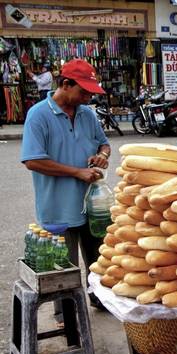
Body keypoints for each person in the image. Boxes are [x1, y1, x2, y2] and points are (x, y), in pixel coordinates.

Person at [20, 58, 110, 315]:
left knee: (99, 261)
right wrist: (77, 172)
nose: (88, 97)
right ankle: (66, 316)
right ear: (65, 84)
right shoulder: (38, 115)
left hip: (92, 206)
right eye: (83, 91)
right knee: (64, 270)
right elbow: (32, 160)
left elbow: (103, 143)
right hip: (58, 208)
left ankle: (99, 300)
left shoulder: (87, 114)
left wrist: (102, 154)